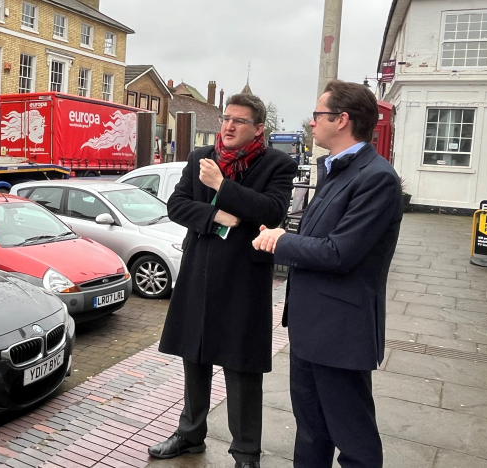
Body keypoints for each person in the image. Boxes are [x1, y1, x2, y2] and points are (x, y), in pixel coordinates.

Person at [253, 80, 402, 468]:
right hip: (310, 328)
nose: (312, 123)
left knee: (354, 442)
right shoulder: (337, 171)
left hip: (342, 332)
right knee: (312, 430)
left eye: (318, 115)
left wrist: (279, 240)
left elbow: (340, 252)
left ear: (343, 120)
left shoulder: (377, 178)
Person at [150, 93, 296, 468]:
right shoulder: (201, 157)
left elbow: (273, 210)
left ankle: (246, 453)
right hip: (200, 271)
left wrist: (222, 187)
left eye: (239, 121)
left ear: (258, 128)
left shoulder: (277, 164)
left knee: (242, 367)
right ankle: (190, 434)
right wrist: (216, 216)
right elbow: (177, 204)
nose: (228, 126)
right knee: (194, 357)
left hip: (244, 279)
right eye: (226, 119)